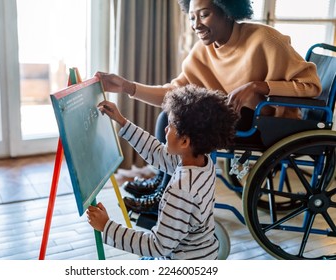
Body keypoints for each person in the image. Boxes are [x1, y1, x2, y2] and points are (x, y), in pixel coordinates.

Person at [96, 0, 322, 214]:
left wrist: (258, 86)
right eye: (192, 17)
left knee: (184, 119)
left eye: (204, 14)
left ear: (228, 10)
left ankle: (164, 191)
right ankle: (163, 180)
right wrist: (127, 86)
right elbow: (173, 93)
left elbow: (311, 86)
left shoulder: (265, 40)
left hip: (269, 123)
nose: (196, 25)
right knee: (169, 114)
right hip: (237, 118)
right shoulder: (204, 52)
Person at [87, 85, 238, 259]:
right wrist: (122, 121)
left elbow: (158, 247)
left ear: (184, 142)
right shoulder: (202, 163)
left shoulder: (181, 190)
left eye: (170, 125)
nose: (165, 129)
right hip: (201, 253)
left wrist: (106, 226)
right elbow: (157, 153)